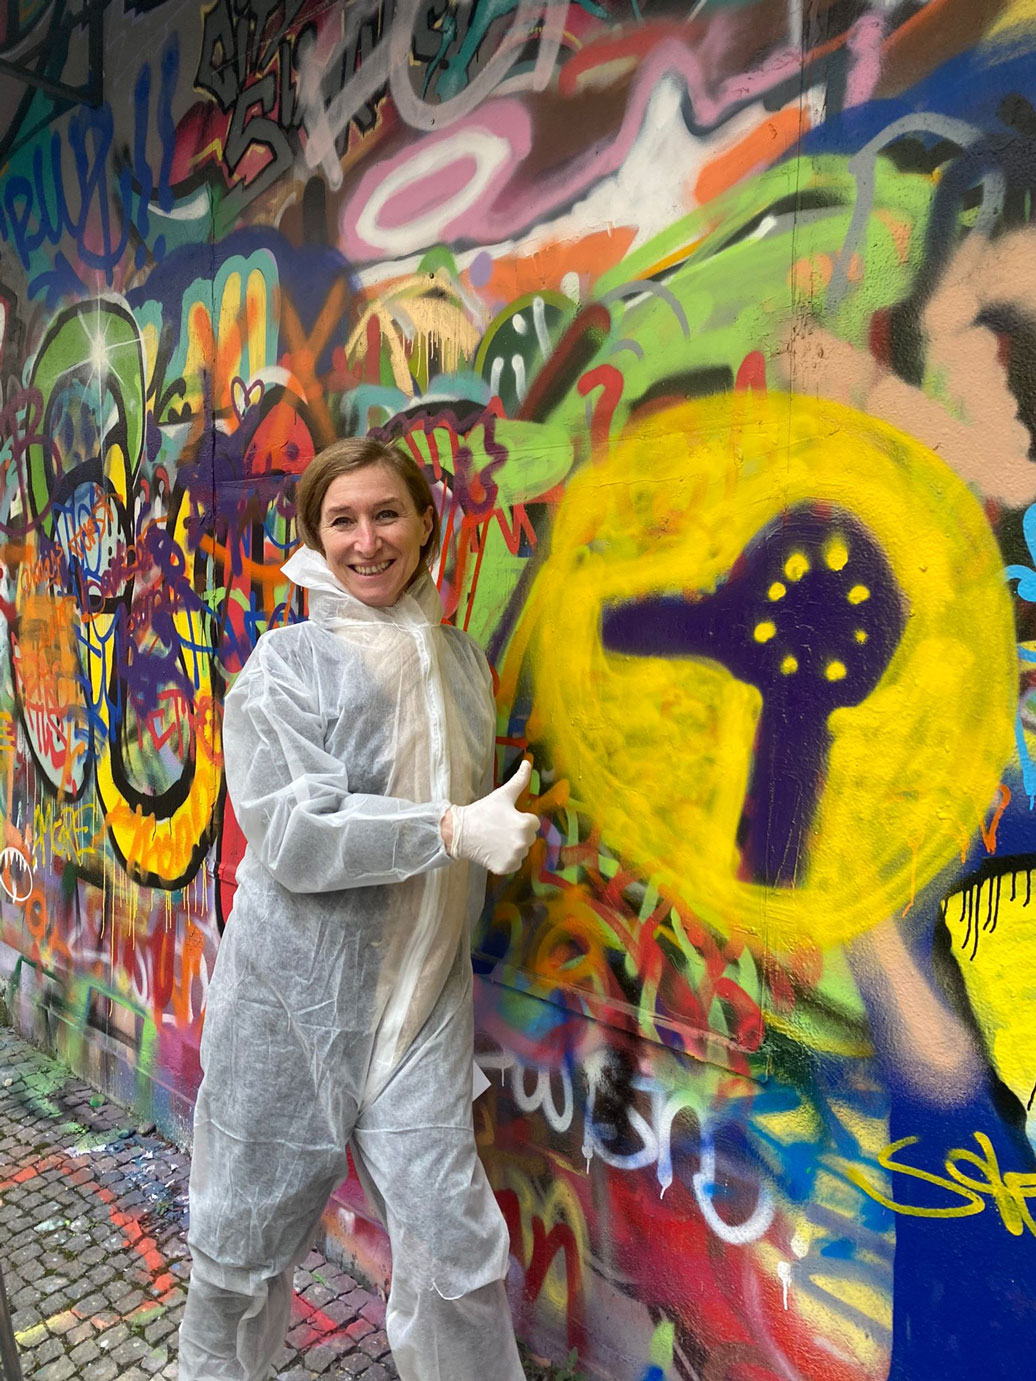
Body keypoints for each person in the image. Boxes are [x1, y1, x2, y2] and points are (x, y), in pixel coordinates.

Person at [178, 436, 537, 1381]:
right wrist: (450, 827)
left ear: (424, 525)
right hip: (291, 1007)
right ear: (314, 535)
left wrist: (470, 833)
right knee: (238, 1252)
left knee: (454, 1249)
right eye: (342, 520)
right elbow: (296, 833)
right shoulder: (285, 666)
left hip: (420, 1009)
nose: (367, 540)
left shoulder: (462, 664)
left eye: (387, 514)